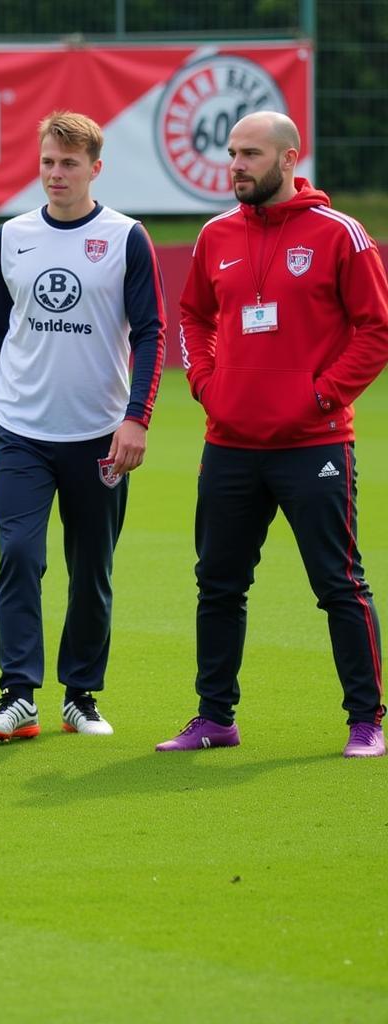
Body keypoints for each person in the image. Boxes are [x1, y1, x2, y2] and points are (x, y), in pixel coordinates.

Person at [158, 111, 388, 758]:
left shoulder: (340, 234)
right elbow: (194, 315)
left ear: (289, 159)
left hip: (314, 445)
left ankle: (366, 720)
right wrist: (207, 382)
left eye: (251, 154)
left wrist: (322, 396)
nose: (236, 165)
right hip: (230, 443)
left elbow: (376, 329)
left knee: (339, 584)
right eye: (232, 153)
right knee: (219, 584)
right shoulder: (215, 235)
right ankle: (214, 718)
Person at [0, 110, 165, 743]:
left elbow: (153, 334)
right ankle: (17, 695)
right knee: (19, 555)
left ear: (95, 169)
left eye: (69, 164)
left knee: (92, 569)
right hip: (20, 429)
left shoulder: (127, 236)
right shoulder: (13, 235)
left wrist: (136, 419)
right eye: (48, 162)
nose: (55, 174)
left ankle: (81, 695)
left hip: (100, 433)